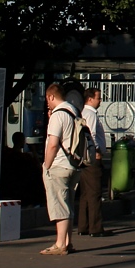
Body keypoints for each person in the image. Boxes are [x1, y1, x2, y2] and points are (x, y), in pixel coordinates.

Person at [41, 82, 82, 255]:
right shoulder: (74, 111)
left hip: (58, 164)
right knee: (68, 204)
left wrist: (46, 165)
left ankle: (60, 244)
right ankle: (67, 241)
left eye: (47, 100)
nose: (47, 103)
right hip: (74, 164)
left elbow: (53, 144)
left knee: (59, 206)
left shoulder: (58, 115)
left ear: (51, 96)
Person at [78, 86, 109, 237]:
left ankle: (83, 226)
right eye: (98, 98)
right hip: (92, 157)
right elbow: (92, 135)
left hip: (85, 158)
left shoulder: (83, 113)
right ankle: (95, 227)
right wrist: (96, 151)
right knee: (95, 192)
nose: (100, 101)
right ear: (90, 99)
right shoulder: (90, 114)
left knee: (85, 193)